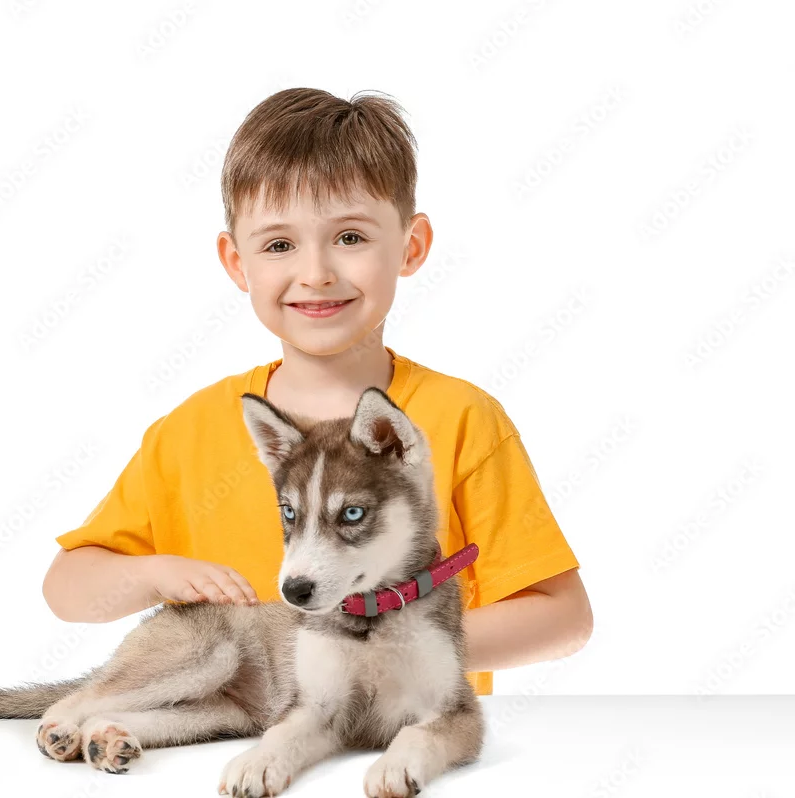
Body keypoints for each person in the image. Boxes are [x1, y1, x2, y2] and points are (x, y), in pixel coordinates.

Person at [42, 88, 593, 696]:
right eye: (279, 245)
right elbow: (66, 589)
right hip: (221, 743)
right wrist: (154, 574)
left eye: (350, 237)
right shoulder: (189, 431)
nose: (316, 273)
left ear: (411, 247)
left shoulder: (462, 417)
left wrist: (389, 648)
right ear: (237, 262)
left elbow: (563, 618)